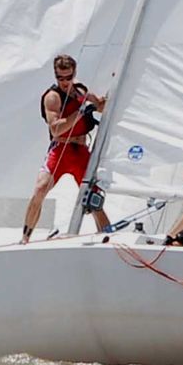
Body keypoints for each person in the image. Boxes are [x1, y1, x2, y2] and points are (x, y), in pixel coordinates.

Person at [21, 54, 110, 242]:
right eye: (60, 78)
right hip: (61, 149)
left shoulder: (80, 91)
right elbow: (55, 128)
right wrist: (79, 113)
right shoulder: (52, 97)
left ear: (74, 74)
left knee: (92, 196)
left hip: (81, 151)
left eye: (68, 77)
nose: (64, 82)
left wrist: (106, 98)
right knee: (40, 188)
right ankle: (25, 237)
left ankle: (107, 234)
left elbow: (100, 106)